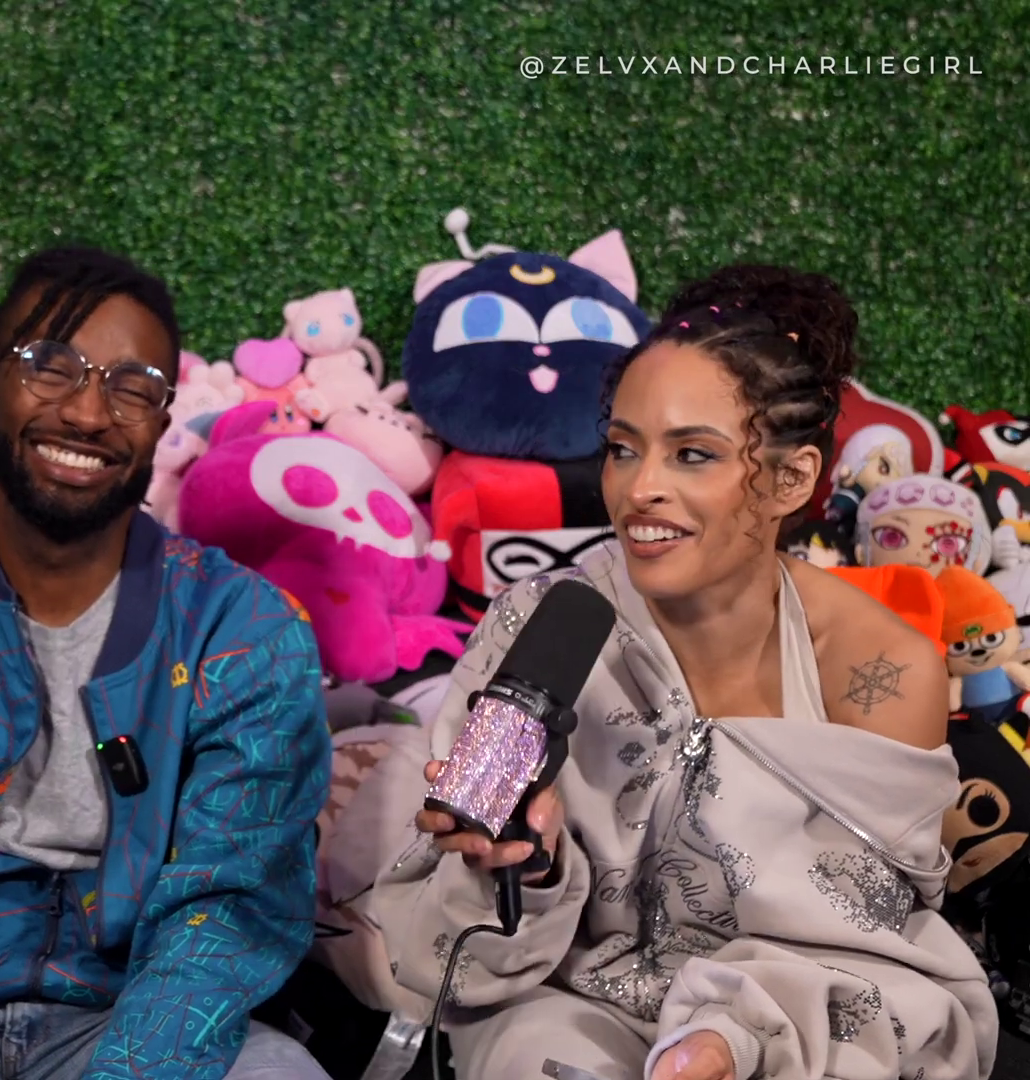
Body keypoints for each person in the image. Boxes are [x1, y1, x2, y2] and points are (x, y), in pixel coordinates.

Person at [344, 266, 999, 1079]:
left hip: (795, 1023)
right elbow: (458, 948)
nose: (640, 489)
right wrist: (527, 869)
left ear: (791, 478)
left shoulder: (883, 667)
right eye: (623, 449)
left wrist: (727, 1042)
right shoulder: (536, 623)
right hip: (571, 1005)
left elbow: (866, 940)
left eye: (692, 454)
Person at [0, 246, 334, 1080]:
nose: (87, 411)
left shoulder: (245, 627)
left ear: (163, 421)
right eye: (51, 367)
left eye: (133, 385)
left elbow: (229, 904)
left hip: (140, 1027)